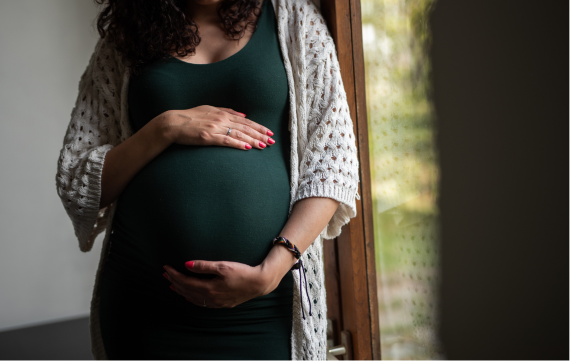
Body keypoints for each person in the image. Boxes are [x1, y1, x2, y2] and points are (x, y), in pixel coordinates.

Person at [55, 0, 360, 359]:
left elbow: (333, 161)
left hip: (263, 309)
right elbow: (77, 179)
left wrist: (272, 270)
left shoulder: (293, 19)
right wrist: (164, 128)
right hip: (145, 307)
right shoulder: (128, 38)